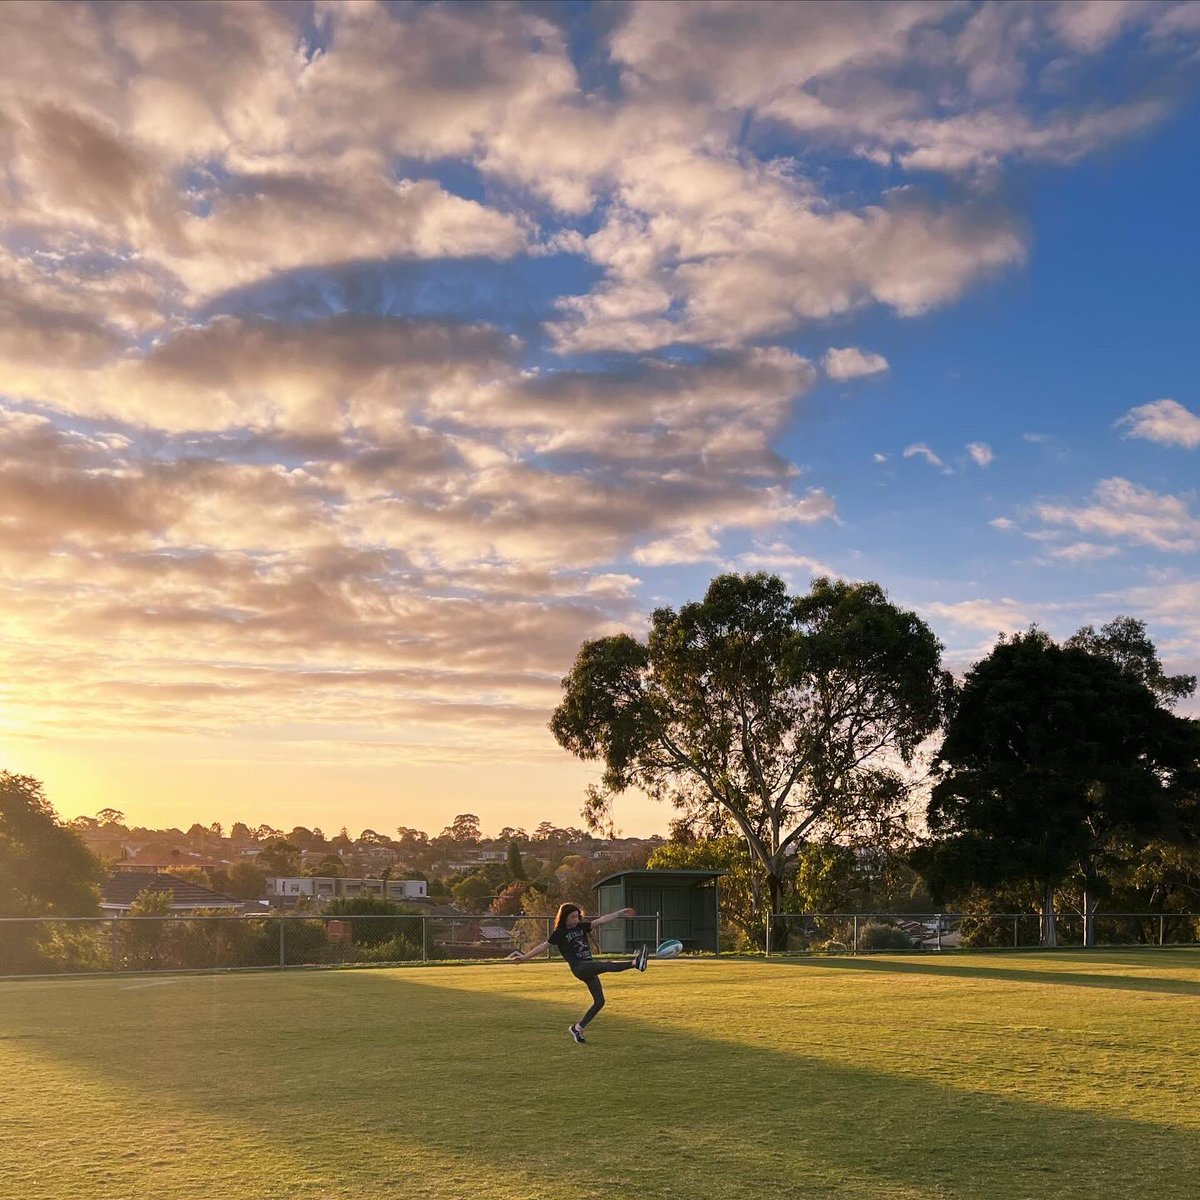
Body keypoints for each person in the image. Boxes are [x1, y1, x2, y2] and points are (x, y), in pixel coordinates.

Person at [509, 903, 647, 1043]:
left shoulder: (581, 927)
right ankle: (635, 963)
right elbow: (543, 946)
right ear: (564, 918)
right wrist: (524, 957)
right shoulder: (559, 933)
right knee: (604, 965)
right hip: (579, 967)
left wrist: (620, 912)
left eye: (577, 917)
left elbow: (601, 920)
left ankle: (578, 1028)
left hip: (589, 967)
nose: (576, 920)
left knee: (599, 1001)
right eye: (573, 917)